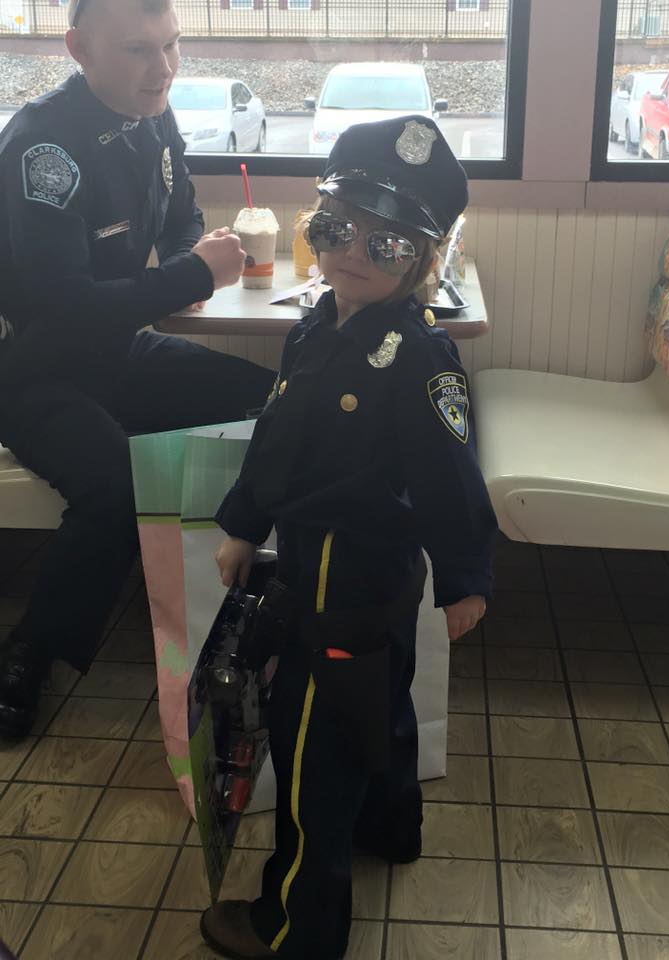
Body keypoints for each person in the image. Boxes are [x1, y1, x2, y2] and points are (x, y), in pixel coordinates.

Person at [202, 115, 498, 960]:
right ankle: (389, 826)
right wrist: (243, 523)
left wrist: (469, 577)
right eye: (336, 229)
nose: (355, 253)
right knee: (378, 711)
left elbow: (451, 472)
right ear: (314, 231)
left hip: (351, 577)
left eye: (389, 243)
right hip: (327, 565)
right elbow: (277, 437)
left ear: (426, 259)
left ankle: (292, 928)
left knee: (313, 756)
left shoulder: (421, 355)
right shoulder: (313, 324)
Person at [0, 0, 276, 738]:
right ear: (78, 49)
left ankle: (241, 592)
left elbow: (182, 214)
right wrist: (192, 277)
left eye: (173, 46)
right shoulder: (41, 149)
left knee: (277, 402)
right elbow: (64, 311)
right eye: (138, 51)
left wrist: (196, 255)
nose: (164, 69)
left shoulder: (152, 113)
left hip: (118, 349)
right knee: (114, 486)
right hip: (35, 370)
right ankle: (31, 649)